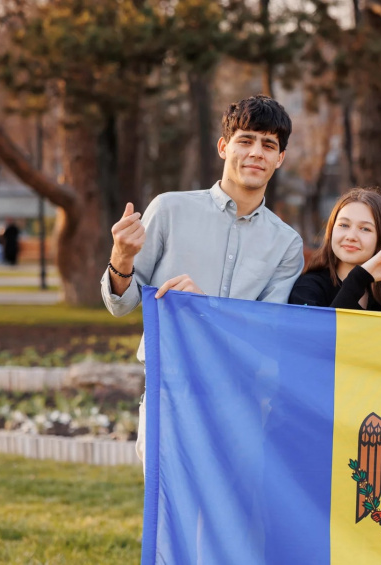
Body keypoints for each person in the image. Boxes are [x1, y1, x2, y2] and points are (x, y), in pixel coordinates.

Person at [101, 95, 304, 468]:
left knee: (231, 508)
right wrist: (122, 257)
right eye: (246, 140)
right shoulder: (169, 209)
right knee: (167, 505)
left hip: (241, 401)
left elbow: (268, 332)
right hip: (171, 391)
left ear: (280, 159)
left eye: (268, 145)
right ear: (224, 147)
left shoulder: (287, 244)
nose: (256, 152)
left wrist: (205, 309)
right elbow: (121, 304)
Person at [288, 188, 381, 311]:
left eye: (365, 229)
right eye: (344, 225)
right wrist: (358, 279)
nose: (351, 237)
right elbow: (323, 324)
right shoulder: (308, 287)